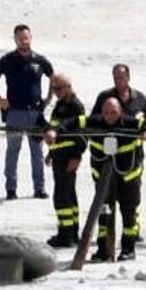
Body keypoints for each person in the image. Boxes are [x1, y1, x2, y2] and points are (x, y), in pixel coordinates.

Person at [45, 97, 146, 261]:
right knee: (104, 213)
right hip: (103, 180)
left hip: (128, 179)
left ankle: (128, 249)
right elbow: (72, 122)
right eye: (105, 112)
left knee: (129, 215)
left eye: (113, 112)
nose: (109, 116)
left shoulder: (130, 122)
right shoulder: (95, 121)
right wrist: (55, 131)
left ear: (120, 112)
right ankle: (103, 249)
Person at [89, 64, 146, 247]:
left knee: (131, 201)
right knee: (105, 203)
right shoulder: (104, 97)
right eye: (115, 77)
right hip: (105, 160)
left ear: (128, 78)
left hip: (131, 158)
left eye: (122, 77)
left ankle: (131, 236)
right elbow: (93, 121)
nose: (119, 81)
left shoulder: (139, 98)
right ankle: (105, 243)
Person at [0, 24, 53, 200]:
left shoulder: (40, 60)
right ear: (15, 39)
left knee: (37, 152)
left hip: (35, 112)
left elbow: (53, 77)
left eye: (26, 37)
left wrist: (48, 98)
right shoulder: (7, 60)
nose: (24, 41)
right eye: (20, 38)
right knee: (12, 151)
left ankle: (39, 188)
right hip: (15, 112)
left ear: (31, 38)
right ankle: (11, 188)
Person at [44, 73, 86, 248]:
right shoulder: (60, 105)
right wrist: (51, 153)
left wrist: (77, 156)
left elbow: (82, 134)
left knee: (62, 197)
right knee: (68, 195)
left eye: (59, 88)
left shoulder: (75, 106)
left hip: (69, 157)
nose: (56, 92)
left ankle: (66, 234)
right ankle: (71, 232)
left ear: (68, 87)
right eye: (53, 89)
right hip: (59, 156)